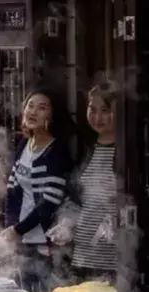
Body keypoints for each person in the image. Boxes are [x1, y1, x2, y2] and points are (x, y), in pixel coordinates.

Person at [51, 82, 124, 280]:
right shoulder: (85, 147)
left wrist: (117, 219)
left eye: (105, 111)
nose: (97, 118)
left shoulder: (128, 152)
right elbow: (75, 198)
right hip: (82, 255)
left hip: (113, 259)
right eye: (92, 110)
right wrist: (65, 224)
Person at [3, 89, 72, 292]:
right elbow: (11, 192)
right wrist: (10, 228)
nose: (33, 112)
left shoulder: (56, 150)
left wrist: (17, 230)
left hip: (45, 242)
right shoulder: (24, 144)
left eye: (42, 108)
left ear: (51, 117)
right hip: (22, 239)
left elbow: (50, 201)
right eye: (30, 106)